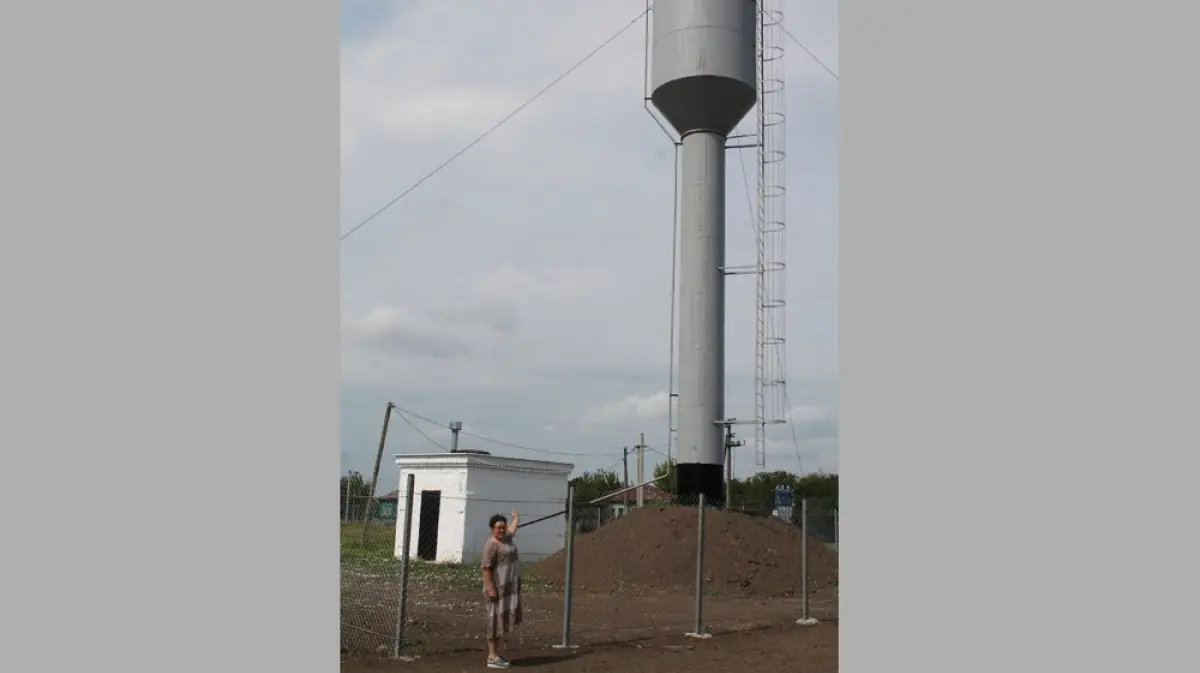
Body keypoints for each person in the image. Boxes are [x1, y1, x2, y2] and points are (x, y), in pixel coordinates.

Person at [481, 510, 521, 669]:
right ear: (492, 529)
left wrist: (516, 518)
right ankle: (491, 656)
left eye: (503, 527)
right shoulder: (492, 544)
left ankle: (496, 653)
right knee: (494, 620)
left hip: (507, 588)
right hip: (497, 588)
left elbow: (512, 529)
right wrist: (491, 589)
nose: (502, 530)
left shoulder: (506, 538)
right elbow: (486, 568)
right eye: (498, 528)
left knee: (500, 621)